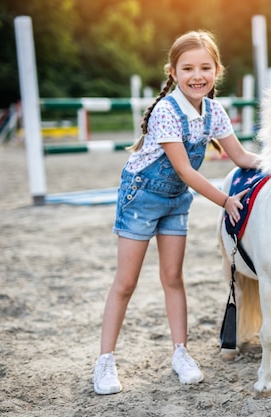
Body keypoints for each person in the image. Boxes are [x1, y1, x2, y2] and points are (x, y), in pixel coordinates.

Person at [92, 30, 259, 395]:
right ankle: (105, 361)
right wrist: (225, 200)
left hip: (175, 203)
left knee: (173, 277)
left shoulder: (215, 111)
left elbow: (243, 157)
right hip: (141, 198)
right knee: (126, 282)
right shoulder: (167, 111)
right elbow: (185, 170)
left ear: (217, 70)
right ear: (172, 72)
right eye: (187, 68)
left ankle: (180, 353)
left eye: (205, 67)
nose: (197, 75)